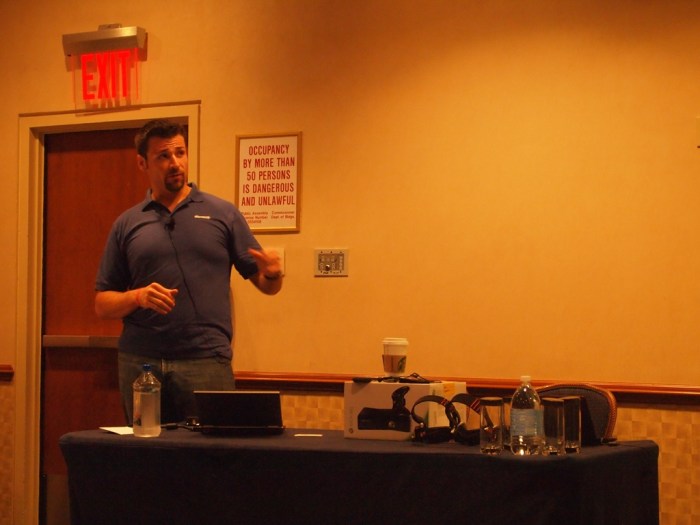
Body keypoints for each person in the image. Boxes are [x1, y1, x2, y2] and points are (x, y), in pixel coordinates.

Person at [94, 119, 283, 425]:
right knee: (145, 451)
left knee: (213, 449)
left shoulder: (223, 213)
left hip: (206, 361)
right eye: (163, 156)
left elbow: (267, 286)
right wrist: (138, 297)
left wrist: (273, 273)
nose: (175, 163)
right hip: (141, 363)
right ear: (142, 163)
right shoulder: (127, 224)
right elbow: (103, 304)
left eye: (180, 153)